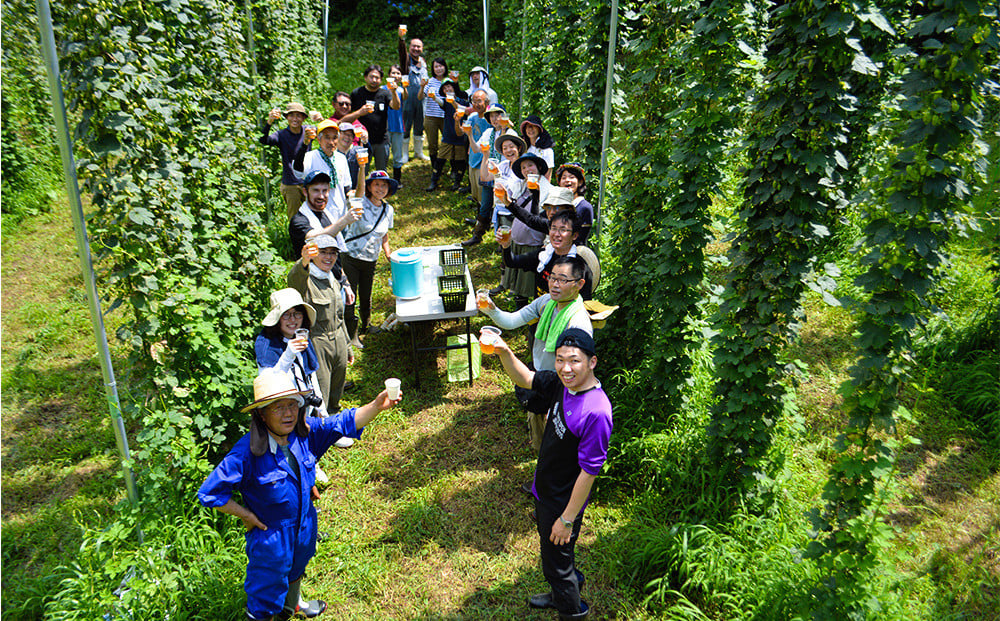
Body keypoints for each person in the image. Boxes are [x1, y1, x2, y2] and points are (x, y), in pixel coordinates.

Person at [198, 368, 401, 621]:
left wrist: (376, 406)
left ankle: (292, 606)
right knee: (265, 594)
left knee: (296, 570)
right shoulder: (245, 453)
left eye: (293, 405)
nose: (288, 413)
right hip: (270, 538)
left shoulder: (305, 434)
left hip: (305, 526)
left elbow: (342, 423)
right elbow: (210, 493)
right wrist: (246, 515)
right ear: (261, 414)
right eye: (278, 407)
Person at [487, 328, 612, 621]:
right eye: (559, 360)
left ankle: (571, 608)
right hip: (545, 491)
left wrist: (567, 519)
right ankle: (561, 593)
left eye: (574, 361)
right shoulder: (563, 383)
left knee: (556, 565)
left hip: (562, 501)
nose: (565, 368)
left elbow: (589, 472)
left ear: (592, 362)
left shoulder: (596, 412)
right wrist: (504, 351)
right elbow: (526, 379)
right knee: (555, 554)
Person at [480, 255, 593, 453]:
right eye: (552, 277)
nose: (555, 285)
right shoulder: (547, 302)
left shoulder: (578, 322)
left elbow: (578, 372)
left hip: (559, 386)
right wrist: (491, 309)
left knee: (554, 447)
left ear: (579, 284)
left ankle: (545, 478)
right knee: (539, 435)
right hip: (541, 378)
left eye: (563, 280)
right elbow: (512, 321)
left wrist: (560, 403)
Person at [254, 288, 354, 451]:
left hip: (305, 400)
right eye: (286, 314)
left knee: (310, 423)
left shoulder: (301, 336)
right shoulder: (267, 345)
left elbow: (310, 372)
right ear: (278, 318)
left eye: (297, 314)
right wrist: (289, 354)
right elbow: (269, 386)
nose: (292, 320)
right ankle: (308, 462)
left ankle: (325, 432)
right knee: (291, 438)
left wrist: (320, 407)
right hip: (284, 405)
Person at [287, 233, 354, 410]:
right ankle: (321, 430)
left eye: (333, 253)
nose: (329, 257)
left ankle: (334, 423)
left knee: (337, 388)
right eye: (323, 252)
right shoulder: (306, 280)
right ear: (314, 254)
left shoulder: (332, 279)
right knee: (320, 392)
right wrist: (304, 260)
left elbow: (340, 317)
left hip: (338, 338)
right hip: (318, 342)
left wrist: (347, 346)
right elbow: (293, 280)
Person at [342, 170, 396, 350]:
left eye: (384, 185)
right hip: (351, 257)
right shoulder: (360, 203)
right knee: (351, 296)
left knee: (366, 295)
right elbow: (357, 193)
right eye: (376, 184)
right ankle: (352, 334)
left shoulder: (388, 210)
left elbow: (384, 234)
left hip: (370, 260)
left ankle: (366, 325)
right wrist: (361, 166)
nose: (380, 188)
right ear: (369, 187)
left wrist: (388, 254)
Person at [499, 210, 594, 301]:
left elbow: (585, 302)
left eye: (563, 230)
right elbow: (511, 262)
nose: (556, 234)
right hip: (540, 314)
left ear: (575, 236)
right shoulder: (543, 256)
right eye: (553, 228)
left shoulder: (580, 268)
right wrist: (506, 246)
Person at [503, 152, 553, 308]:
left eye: (530, 165)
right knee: (519, 285)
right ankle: (520, 314)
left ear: (538, 167)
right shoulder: (521, 187)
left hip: (532, 244)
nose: (527, 170)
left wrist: (536, 194)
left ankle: (529, 319)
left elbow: (537, 220)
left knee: (528, 285)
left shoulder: (548, 190)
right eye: (523, 167)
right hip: (518, 241)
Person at [287, 169, 359, 260]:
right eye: (316, 191)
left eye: (324, 191)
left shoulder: (327, 213)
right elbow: (315, 238)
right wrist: (344, 221)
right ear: (305, 192)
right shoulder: (298, 220)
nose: (321, 196)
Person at [261, 103, 312, 220]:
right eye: (292, 115)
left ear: (303, 118)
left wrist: (320, 119)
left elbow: (327, 134)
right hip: (291, 184)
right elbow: (264, 140)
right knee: (295, 218)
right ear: (286, 118)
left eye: (298, 116)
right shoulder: (281, 135)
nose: (295, 119)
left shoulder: (308, 131)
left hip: (308, 181)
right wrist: (269, 122)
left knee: (313, 215)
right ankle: (295, 239)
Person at [343, 65, 393, 173]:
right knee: (361, 170)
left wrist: (393, 91)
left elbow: (396, 106)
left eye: (377, 78)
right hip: (361, 140)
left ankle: (380, 189)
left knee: (381, 171)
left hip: (381, 139)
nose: (374, 80)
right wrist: (360, 112)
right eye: (371, 77)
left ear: (381, 79)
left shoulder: (385, 94)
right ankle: (362, 189)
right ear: (365, 77)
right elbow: (347, 117)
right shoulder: (357, 93)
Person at [425, 78, 468, 192]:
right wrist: (433, 97)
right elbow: (440, 101)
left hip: (460, 137)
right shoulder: (445, 102)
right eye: (444, 88)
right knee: (440, 160)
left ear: (454, 88)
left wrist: (452, 101)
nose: (447, 89)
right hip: (447, 136)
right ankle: (434, 181)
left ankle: (457, 183)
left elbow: (461, 109)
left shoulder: (462, 100)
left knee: (460, 161)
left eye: (449, 86)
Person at [397, 33, 428, 160]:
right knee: (406, 125)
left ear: (422, 48)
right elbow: (401, 52)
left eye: (419, 47)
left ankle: (418, 152)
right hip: (407, 99)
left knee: (420, 125)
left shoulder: (423, 62)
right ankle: (404, 154)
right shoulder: (406, 61)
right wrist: (401, 39)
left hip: (422, 99)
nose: (416, 49)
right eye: (414, 46)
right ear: (409, 47)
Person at [460, 88, 492, 205]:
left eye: (479, 101)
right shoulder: (472, 117)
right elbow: (463, 132)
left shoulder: (490, 120)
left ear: (487, 102)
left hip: (483, 160)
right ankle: (479, 214)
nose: (476, 104)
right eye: (474, 101)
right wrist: (458, 121)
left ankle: (483, 219)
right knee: (474, 190)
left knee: (482, 192)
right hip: (472, 158)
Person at [419, 57, 449, 178]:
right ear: (433, 69)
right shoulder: (429, 81)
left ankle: (451, 167)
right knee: (432, 144)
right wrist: (421, 87)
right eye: (436, 66)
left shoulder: (449, 81)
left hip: (446, 116)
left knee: (448, 142)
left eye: (441, 66)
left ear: (445, 67)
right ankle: (435, 168)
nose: (439, 69)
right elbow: (420, 97)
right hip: (431, 116)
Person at [554, 163, 595, 246]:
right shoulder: (555, 205)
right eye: (563, 178)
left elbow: (581, 237)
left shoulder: (584, 207)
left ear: (580, 182)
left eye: (571, 177)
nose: (567, 180)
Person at [386, 65, 408, 187]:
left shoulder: (400, 90)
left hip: (398, 125)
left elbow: (406, 97)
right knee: (384, 153)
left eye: (398, 73)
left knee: (397, 154)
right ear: (388, 75)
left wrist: (404, 87)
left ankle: (397, 180)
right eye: (393, 73)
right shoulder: (382, 89)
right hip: (385, 125)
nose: (395, 76)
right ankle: (383, 178)